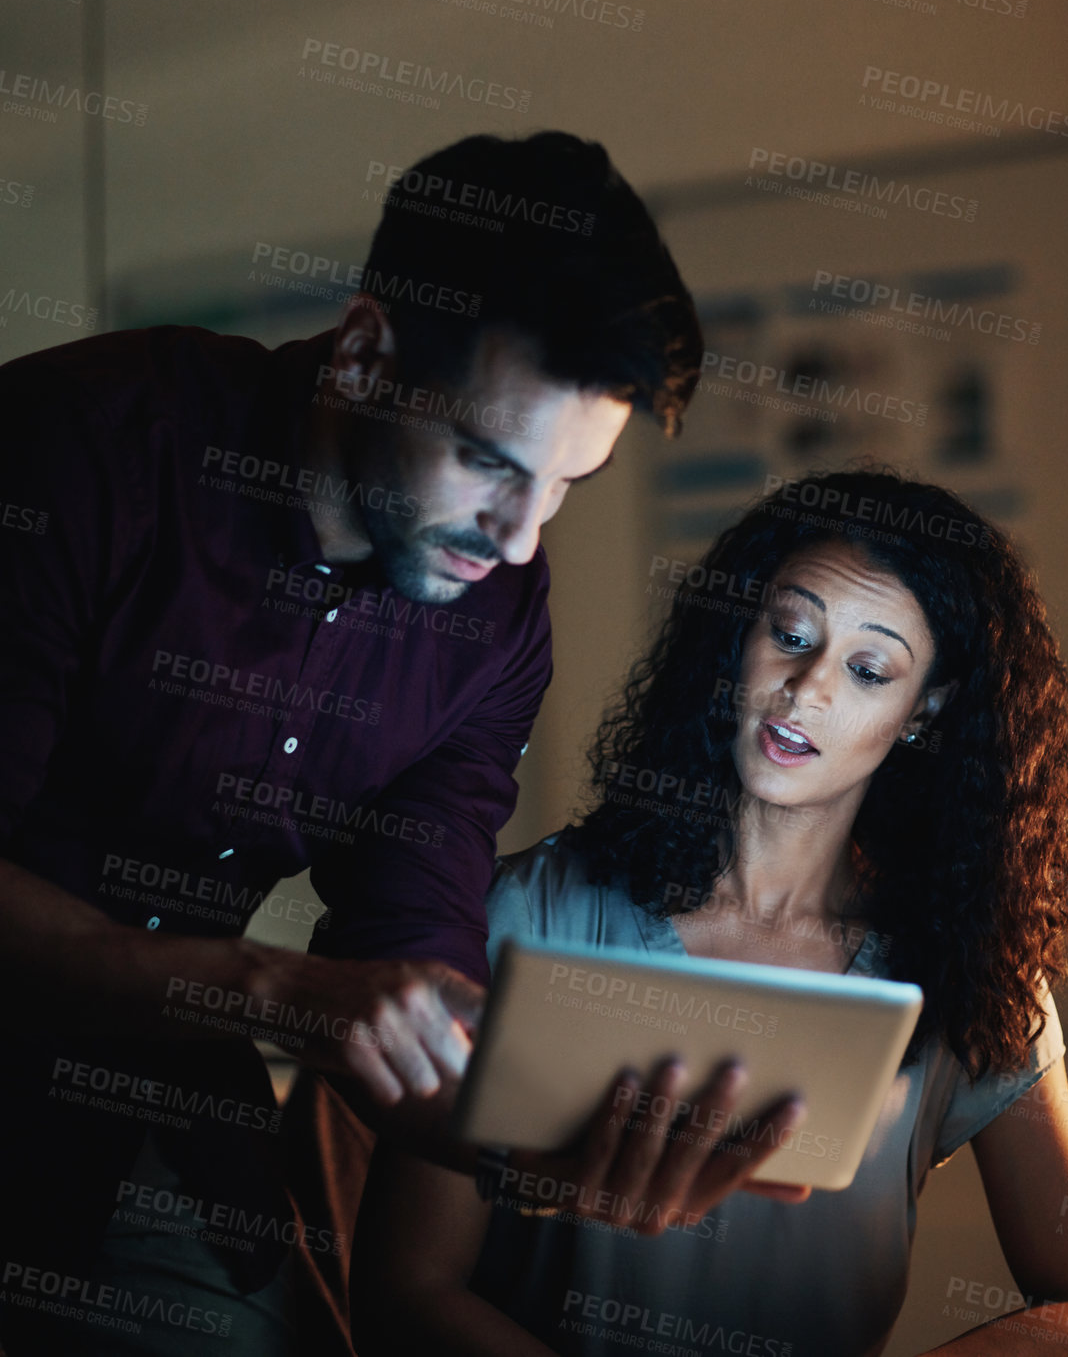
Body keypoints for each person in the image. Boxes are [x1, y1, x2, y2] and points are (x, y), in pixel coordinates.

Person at [0, 129, 758, 1356]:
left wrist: (543, 1137)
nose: (517, 540)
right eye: (487, 463)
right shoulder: (79, 447)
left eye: (566, 484)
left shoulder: (497, 623)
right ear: (363, 356)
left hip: (148, 1079)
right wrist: (280, 990)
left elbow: (410, 949)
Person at [350, 469, 1068, 1357]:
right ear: (738, 639)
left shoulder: (969, 969)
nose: (805, 688)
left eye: (867, 668)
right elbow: (405, 1290)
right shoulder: (533, 910)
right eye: (791, 633)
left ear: (924, 710)